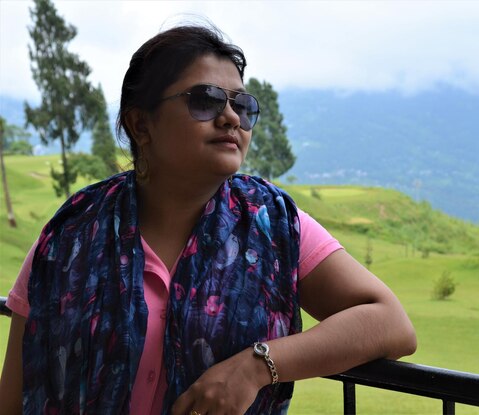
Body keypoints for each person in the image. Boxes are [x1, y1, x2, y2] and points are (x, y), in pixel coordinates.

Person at [0, 23, 416, 415]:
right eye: (206, 100)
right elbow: (14, 400)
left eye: (243, 105)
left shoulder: (272, 226)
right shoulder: (71, 234)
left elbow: (390, 323)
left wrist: (256, 366)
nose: (231, 117)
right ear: (140, 124)